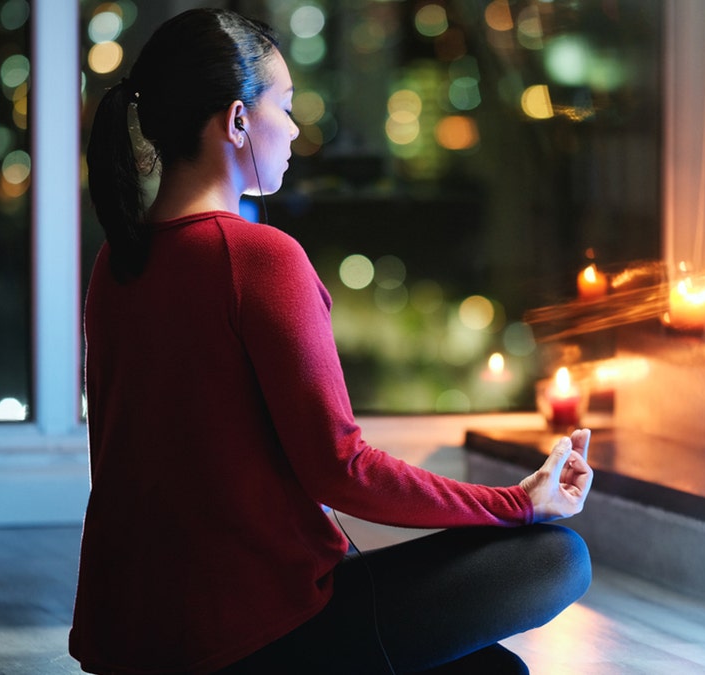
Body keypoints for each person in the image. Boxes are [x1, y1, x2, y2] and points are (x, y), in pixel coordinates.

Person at [69, 8, 593, 674]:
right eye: (284, 107)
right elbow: (341, 467)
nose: (294, 130)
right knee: (556, 558)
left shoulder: (117, 264)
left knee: (493, 672)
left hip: (137, 639)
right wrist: (519, 502)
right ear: (236, 121)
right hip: (251, 639)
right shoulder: (256, 257)